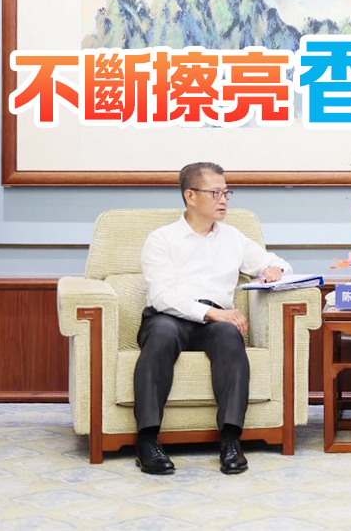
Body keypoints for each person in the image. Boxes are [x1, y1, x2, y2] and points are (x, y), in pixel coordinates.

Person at [134, 162, 292, 475]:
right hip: (169, 317)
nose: (223, 200)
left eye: (226, 193)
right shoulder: (161, 239)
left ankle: (231, 440)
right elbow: (162, 296)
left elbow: (277, 263)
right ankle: (147, 441)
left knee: (230, 336)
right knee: (162, 334)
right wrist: (213, 313)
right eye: (215, 193)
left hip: (214, 324)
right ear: (190, 196)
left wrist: (274, 270)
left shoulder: (233, 238)